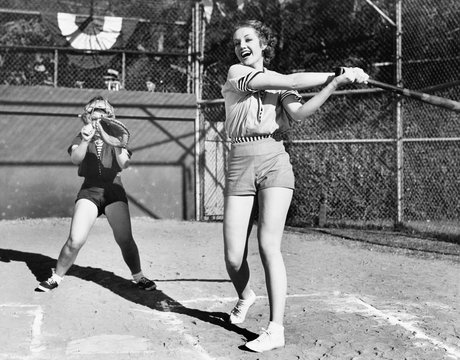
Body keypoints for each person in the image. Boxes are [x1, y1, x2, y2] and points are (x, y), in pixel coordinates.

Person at [221, 20, 369, 353]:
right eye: (237, 42)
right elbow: (288, 79)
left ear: (263, 45)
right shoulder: (237, 73)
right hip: (239, 162)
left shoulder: (281, 84)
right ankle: (246, 295)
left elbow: (299, 113)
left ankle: (275, 329)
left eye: (248, 40)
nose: (242, 45)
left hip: (274, 159)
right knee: (233, 257)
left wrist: (335, 84)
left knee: (267, 245)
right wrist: (336, 73)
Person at [36, 96, 156, 293]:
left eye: (102, 117)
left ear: (109, 118)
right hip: (90, 190)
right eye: (94, 117)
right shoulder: (82, 135)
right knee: (75, 240)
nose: (97, 121)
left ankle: (139, 276)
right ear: (87, 117)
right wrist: (85, 140)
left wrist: (117, 144)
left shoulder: (116, 136)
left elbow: (124, 164)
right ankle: (56, 277)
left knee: (125, 239)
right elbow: (76, 159)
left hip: (113, 189)